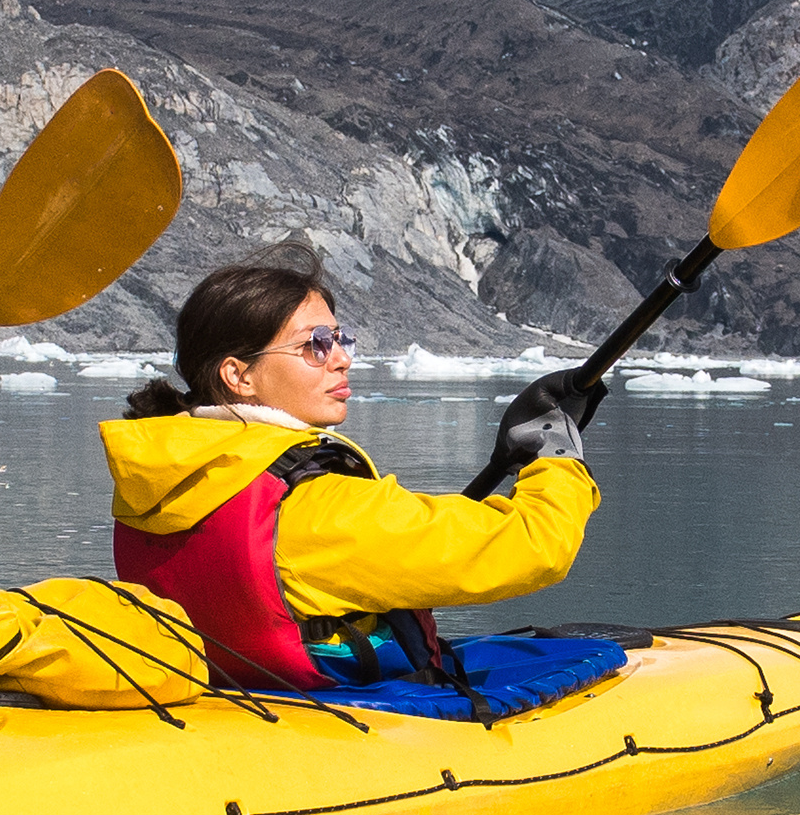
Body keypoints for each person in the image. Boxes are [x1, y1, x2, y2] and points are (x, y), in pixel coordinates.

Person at [103, 253, 598, 691]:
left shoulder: (161, 479)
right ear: (240, 376)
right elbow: (532, 547)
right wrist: (556, 457)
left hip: (235, 692)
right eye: (316, 344)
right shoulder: (318, 509)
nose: (341, 359)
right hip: (337, 712)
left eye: (341, 339)